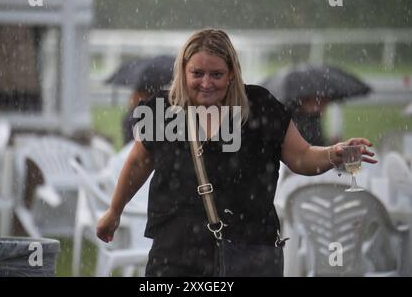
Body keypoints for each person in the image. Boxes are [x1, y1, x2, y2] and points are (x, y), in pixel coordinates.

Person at [96, 28, 377, 276]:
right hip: (175, 249)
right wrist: (114, 211)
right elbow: (139, 161)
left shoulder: (260, 106)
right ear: (183, 71)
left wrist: (332, 154)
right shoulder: (160, 110)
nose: (206, 83)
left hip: (249, 248)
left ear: (232, 73)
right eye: (197, 73)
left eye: (216, 74)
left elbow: (301, 157)